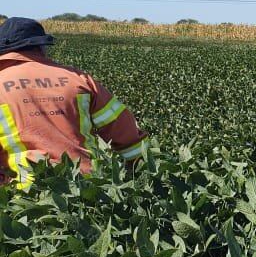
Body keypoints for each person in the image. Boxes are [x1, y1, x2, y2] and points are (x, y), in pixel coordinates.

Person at [0, 17, 149, 189]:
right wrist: (142, 175)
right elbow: (124, 131)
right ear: (41, 47)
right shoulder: (78, 79)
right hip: (87, 187)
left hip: (26, 193)